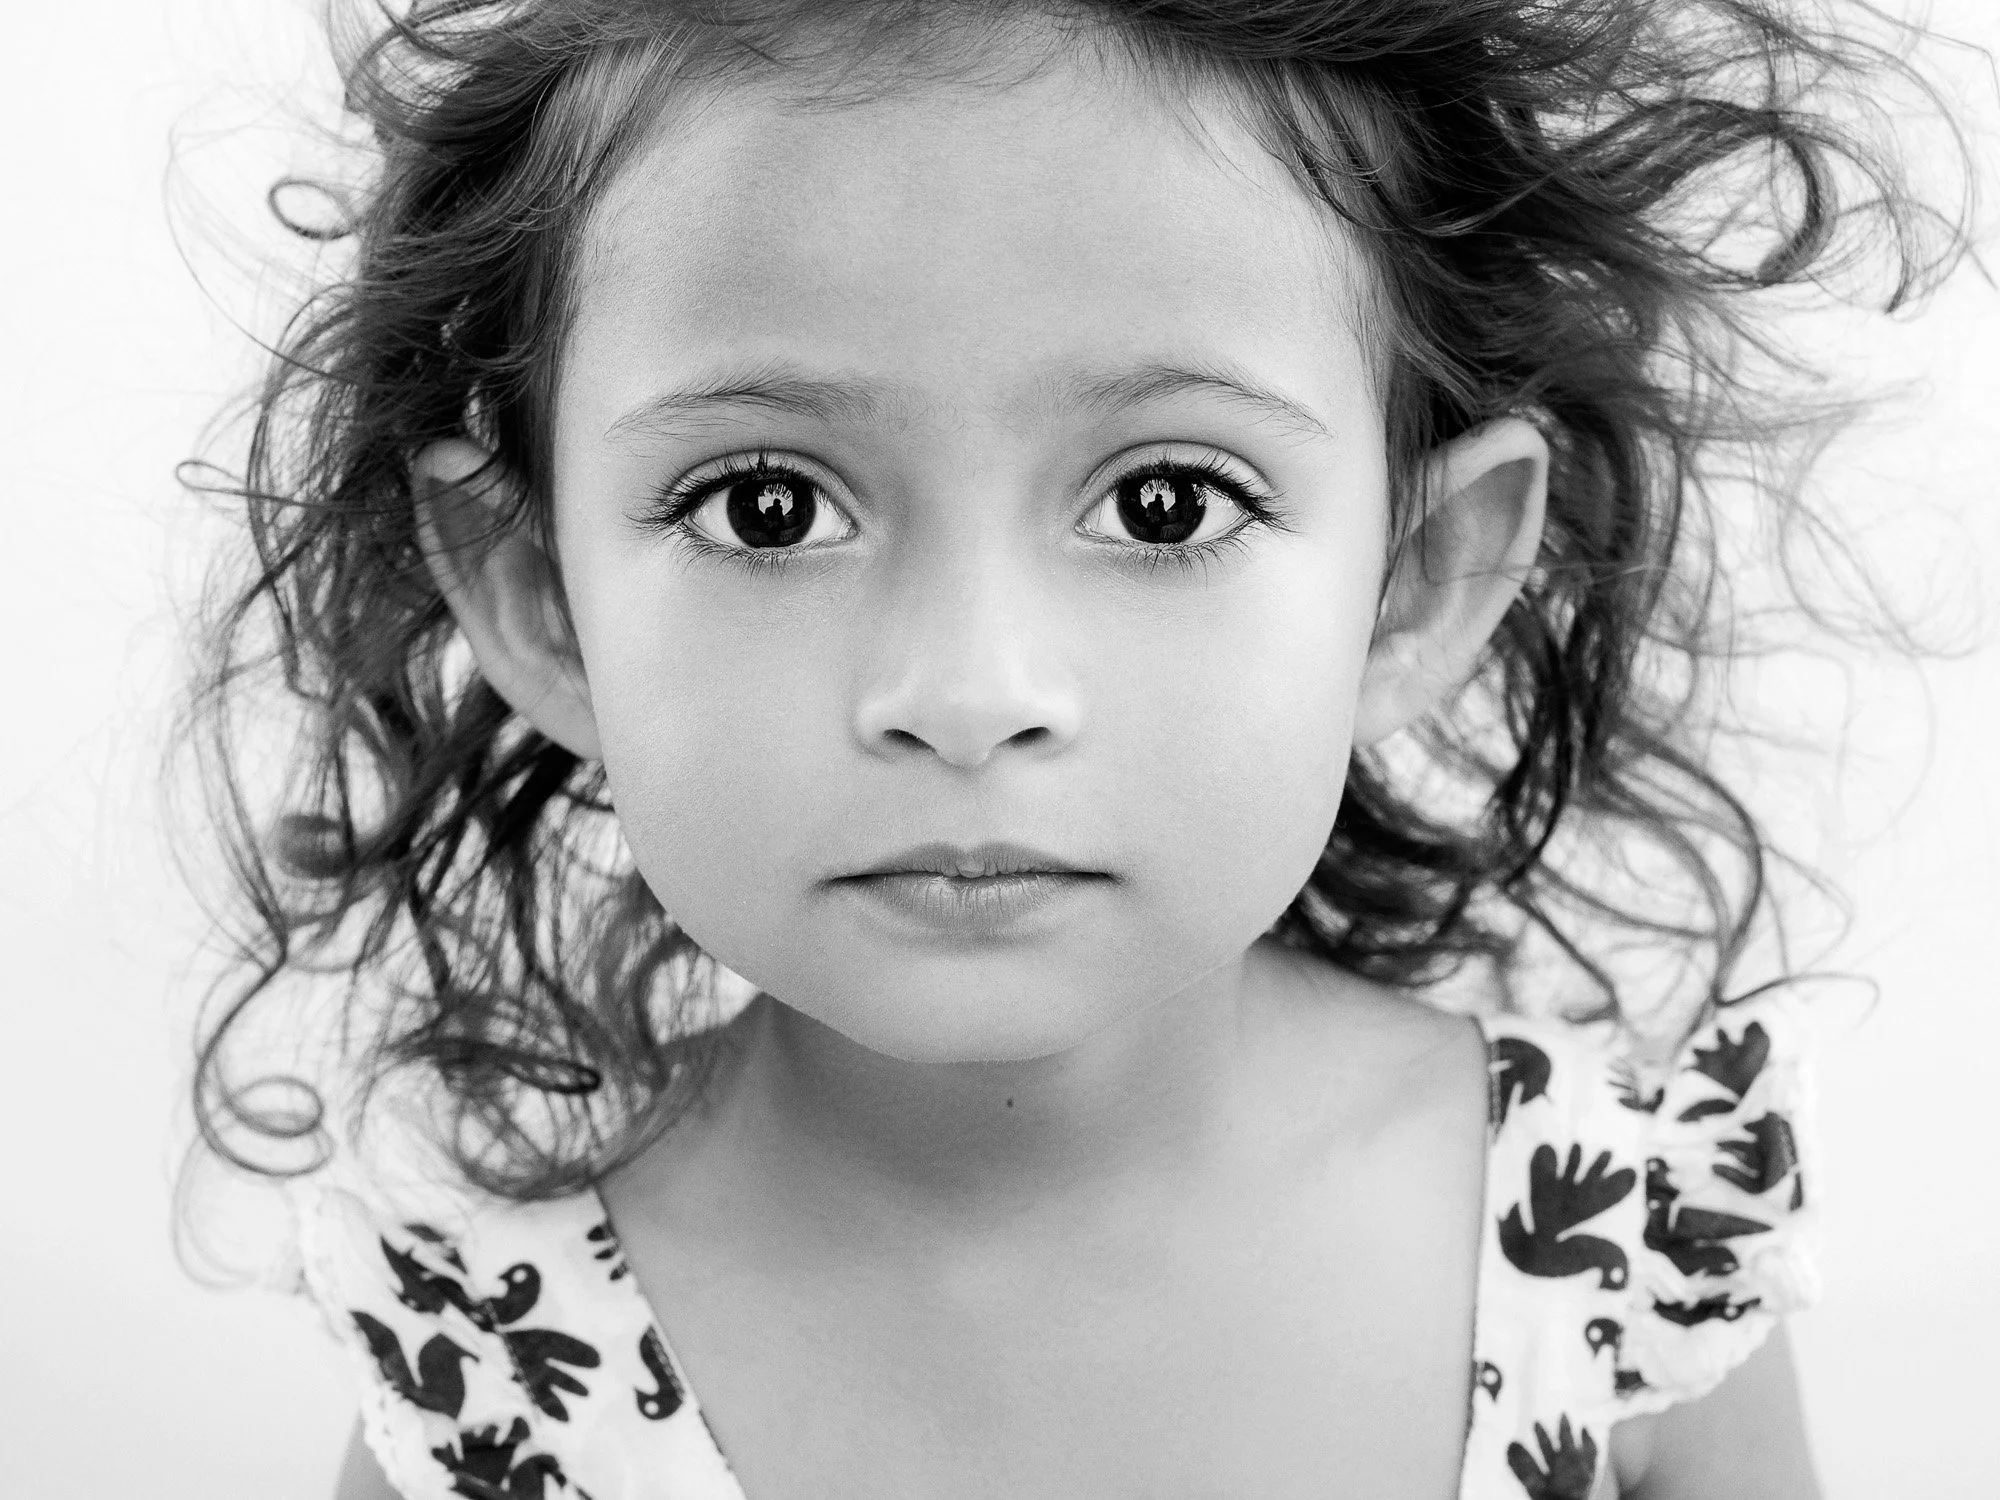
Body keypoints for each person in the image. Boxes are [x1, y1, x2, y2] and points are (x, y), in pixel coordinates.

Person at [174, 0, 1970, 1495]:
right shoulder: (490, 1369)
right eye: (772, 504)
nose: (970, 687)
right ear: (537, 593)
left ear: (1416, 579)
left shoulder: (1631, 1248)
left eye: (1168, 499)